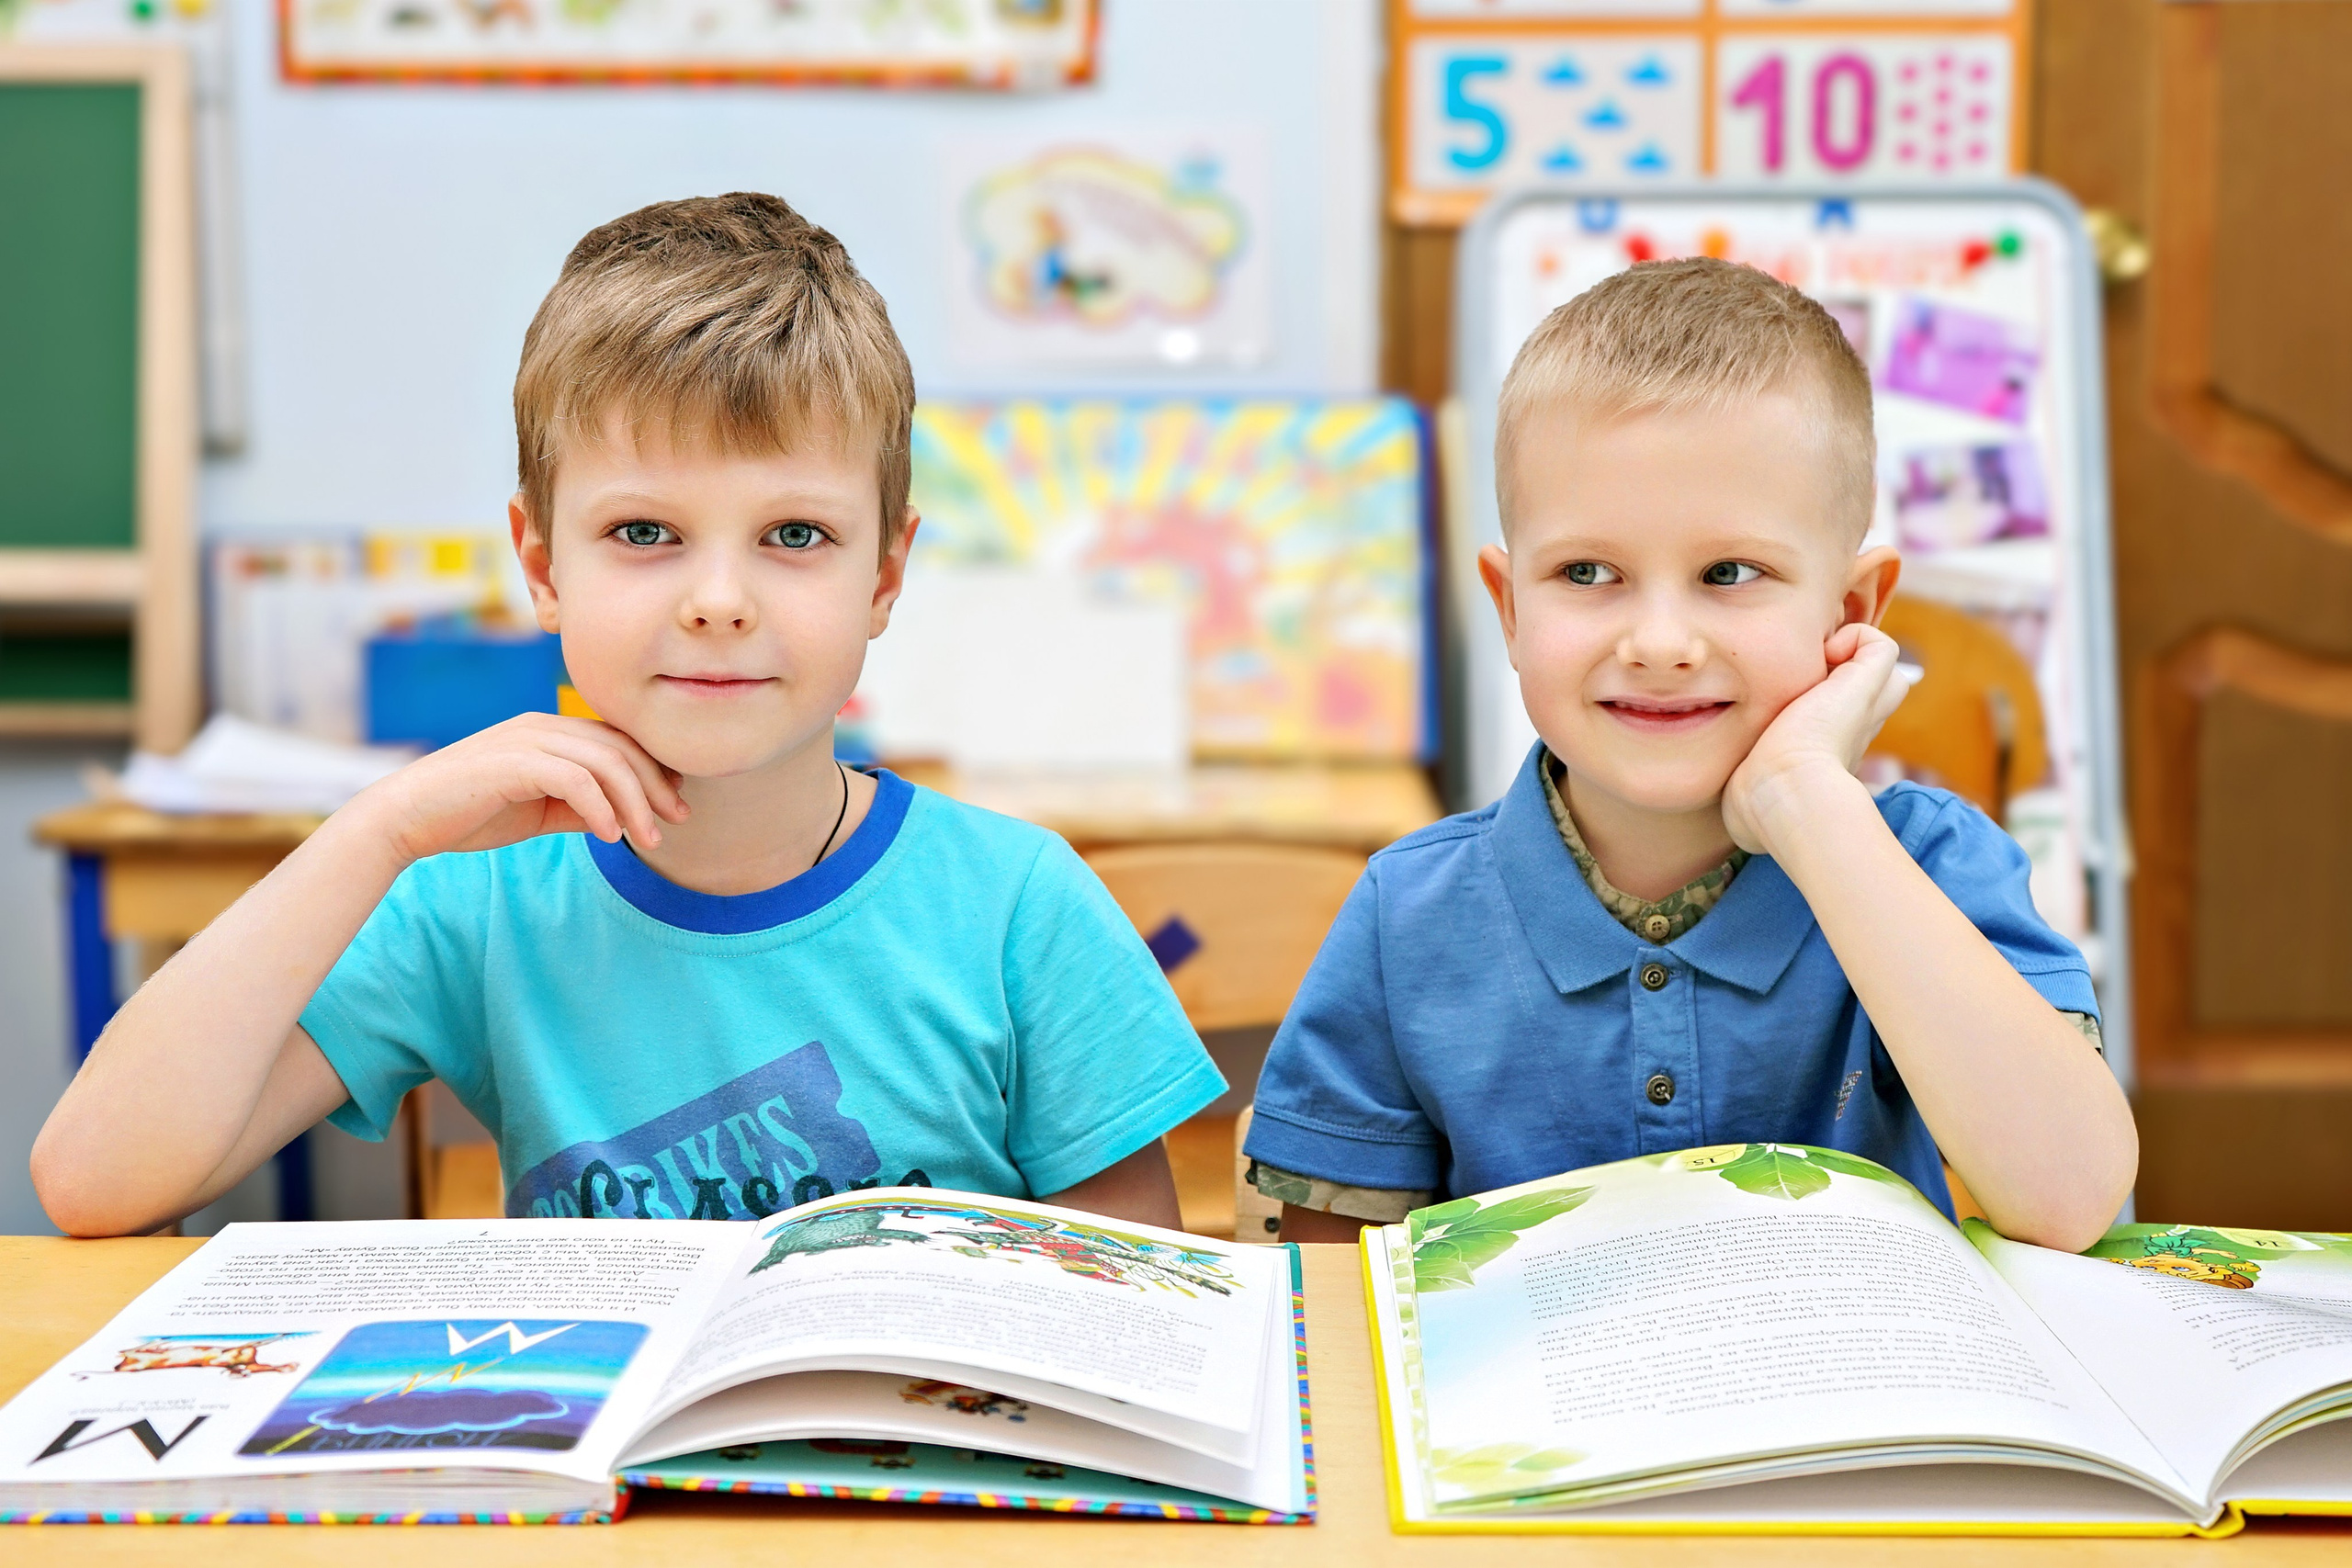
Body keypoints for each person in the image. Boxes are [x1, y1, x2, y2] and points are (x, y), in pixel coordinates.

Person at [35, 193, 1223, 1236]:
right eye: (644, 533)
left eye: (794, 535)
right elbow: (92, 1180)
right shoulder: (472, 898)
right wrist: (381, 827)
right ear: (542, 566)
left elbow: (1136, 1326)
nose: (717, 601)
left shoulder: (1021, 907)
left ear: (885, 576)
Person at [1247, 258, 2134, 1252]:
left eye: (1728, 573)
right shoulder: (1405, 915)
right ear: (1509, 608)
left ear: (1849, 613)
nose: (1659, 641)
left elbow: (2068, 1201)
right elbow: (1326, 1306)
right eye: (1587, 573)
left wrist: (1806, 799)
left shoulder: (1935, 866)